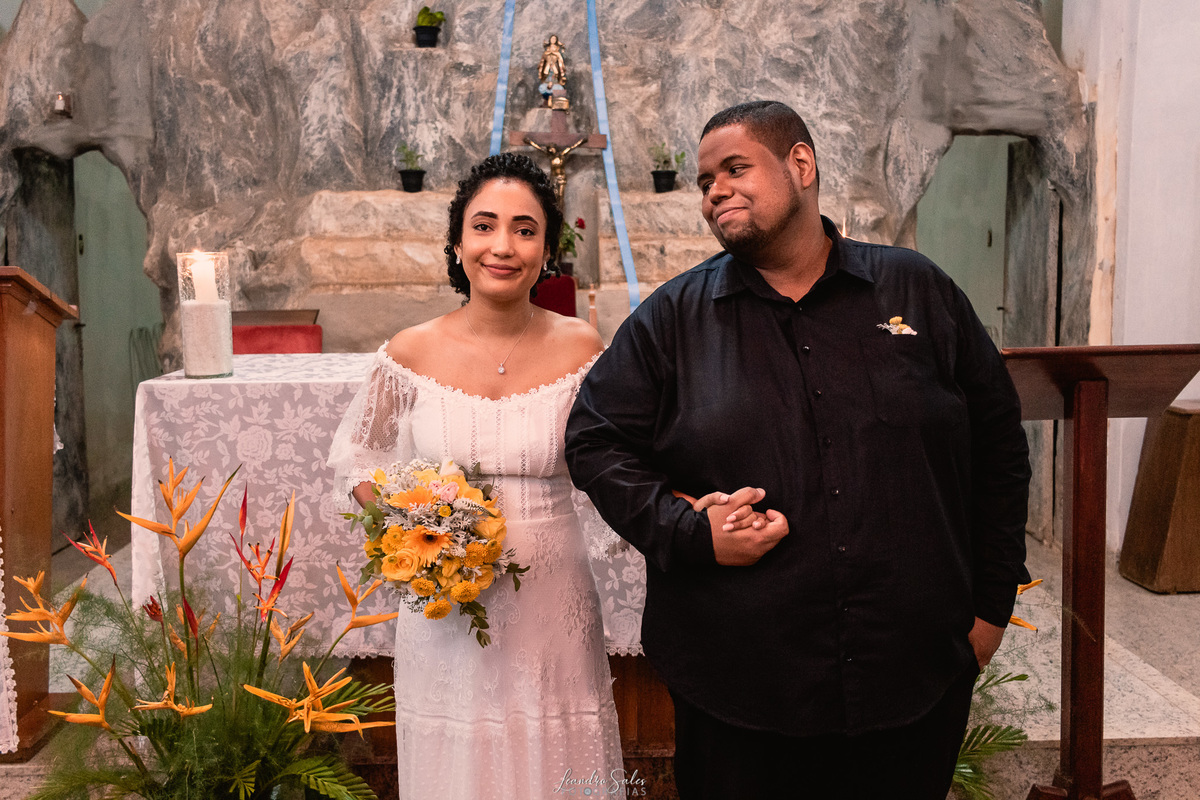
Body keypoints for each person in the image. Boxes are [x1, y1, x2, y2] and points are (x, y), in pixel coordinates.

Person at [564, 101, 1031, 799]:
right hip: (737, 685)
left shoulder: (917, 289)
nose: (715, 191)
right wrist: (686, 531)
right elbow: (594, 440)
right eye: (704, 182)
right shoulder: (674, 318)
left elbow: (998, 445)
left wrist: (991, 609)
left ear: (801, 165)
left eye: (734, 169)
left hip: (910, 677)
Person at [329, 153, 626, 799]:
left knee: (554, 748)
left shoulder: (583, 347)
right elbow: (357, 455)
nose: (503, 246)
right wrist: (410, 525)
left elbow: (620, 457)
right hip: (447, 606)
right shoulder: (409, 351)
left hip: (552, 597)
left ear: (547, 250)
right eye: (484, 226)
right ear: (458, 242)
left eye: (525, 229)